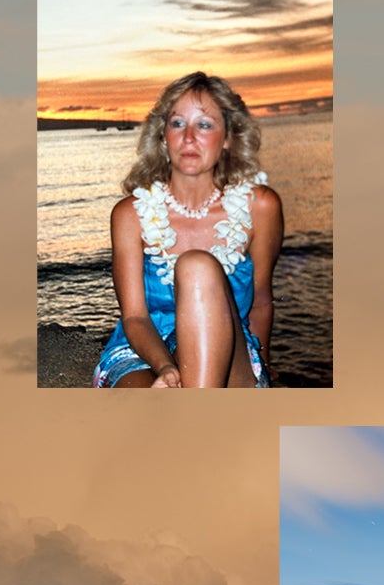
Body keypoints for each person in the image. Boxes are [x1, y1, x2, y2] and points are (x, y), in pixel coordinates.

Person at [94, 72, 284, 388]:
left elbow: (262, 300)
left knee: (197, 266)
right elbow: (135, 317)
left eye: (205, 124)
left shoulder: (260, 207)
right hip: (144, 354)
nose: (189, 137)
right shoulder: (130, 214)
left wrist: (262, 366)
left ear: (227, 138)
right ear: (163, 137)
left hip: (229, 352)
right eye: (178, 123)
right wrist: (167, 368)